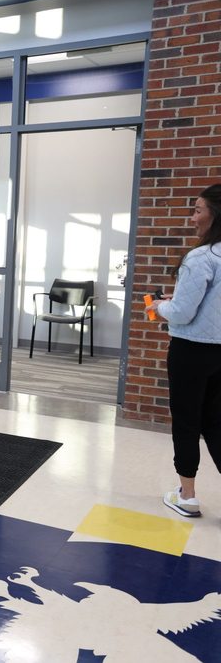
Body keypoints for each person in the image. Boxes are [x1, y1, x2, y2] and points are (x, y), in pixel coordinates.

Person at [147, 184, 221, 518]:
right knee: (216, 423)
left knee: (187, 423)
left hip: (191, 352)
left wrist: (161, 306)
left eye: (197, 210)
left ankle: (187, 496)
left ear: (214, 214)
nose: (193, 218)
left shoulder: (201, 257)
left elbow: (183, 313)